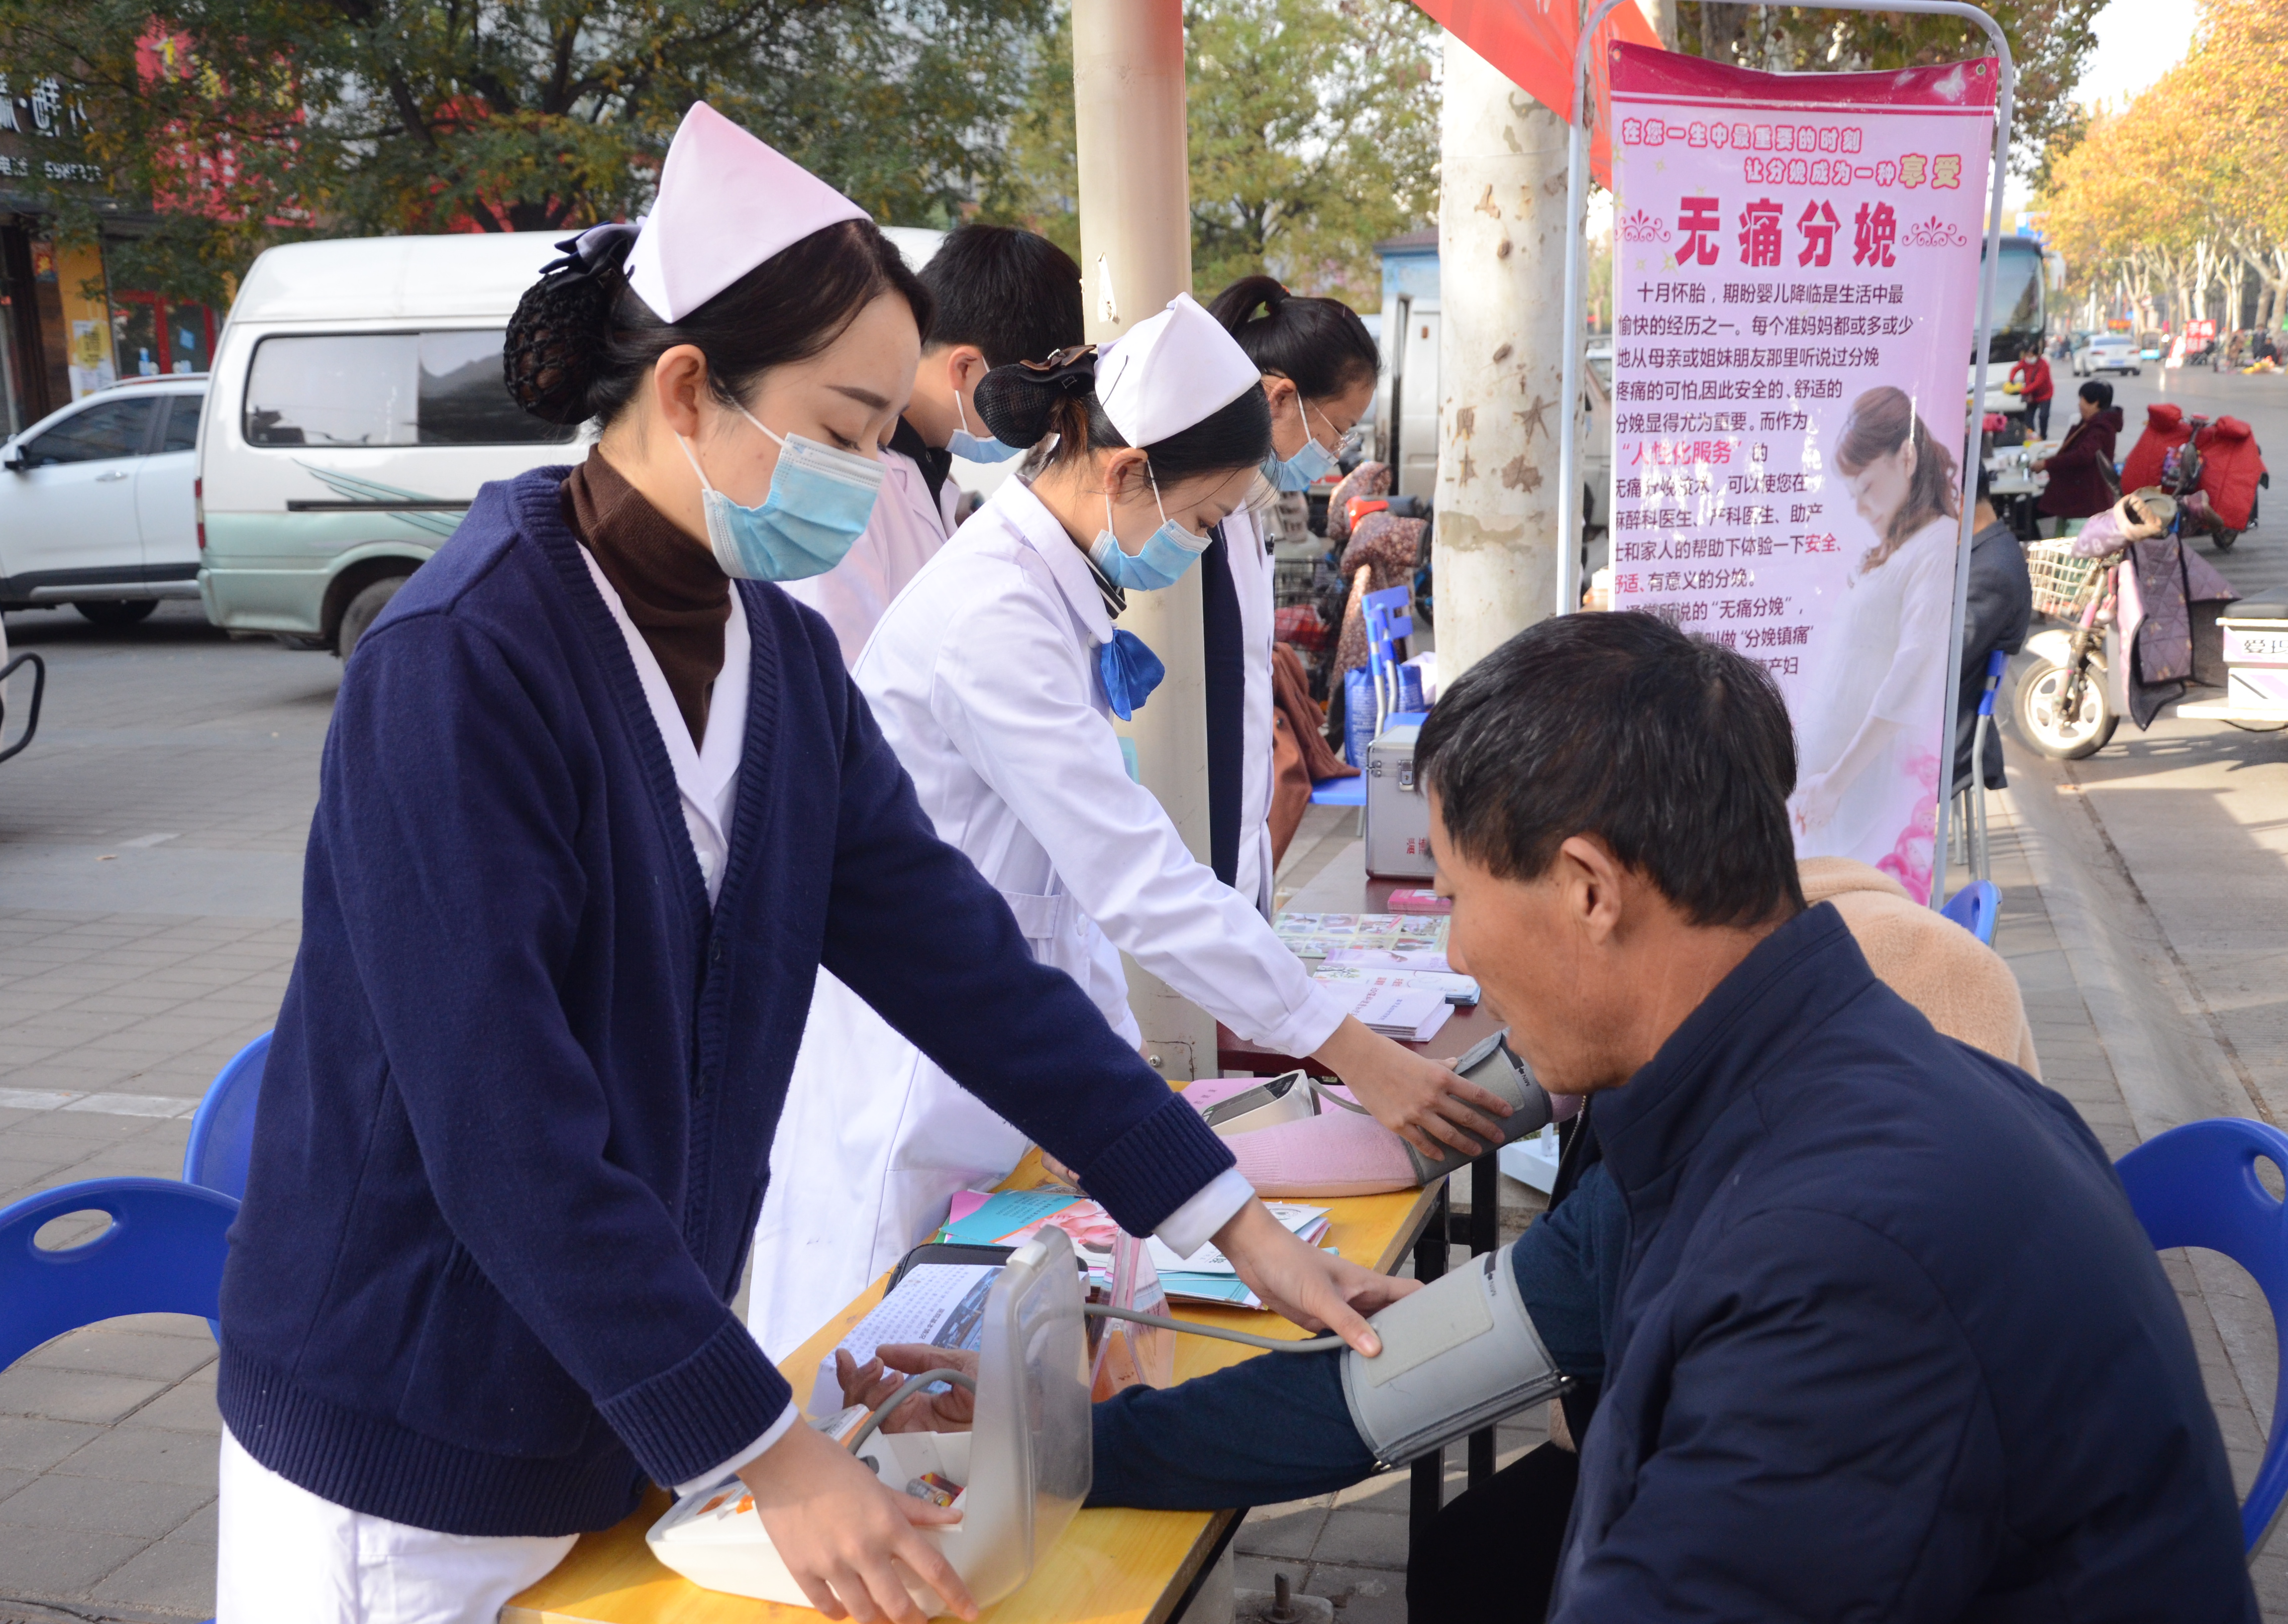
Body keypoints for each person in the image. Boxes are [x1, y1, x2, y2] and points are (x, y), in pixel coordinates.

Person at [208, 103, 1407, 1624]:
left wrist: (1231, 1220)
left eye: (879, 436)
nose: (865, 476)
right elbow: (504, 1130)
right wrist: (769, 1448)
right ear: (687, 389)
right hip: (414, 1438)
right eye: (841, 434)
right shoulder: (462, 665)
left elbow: (969, 969)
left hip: (620, 1399)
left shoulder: (777, 660)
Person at [851, 611, 2254, 1623]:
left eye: (1459, 898)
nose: (1455, 954)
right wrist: (1056, 1446)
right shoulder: (1753, 1103)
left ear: (1589, 888)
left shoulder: (1841, 1265)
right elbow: (1388, 1383)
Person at [747, 295, 1505, 1361]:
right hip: (912, 1088)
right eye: (1201, 518)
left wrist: (1113, 1078)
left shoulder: (1047, 593)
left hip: (1003, 1065)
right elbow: (1133, 879)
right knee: (874, 1369)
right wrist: (1348, 1047)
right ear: (1125, 473)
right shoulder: (993, 615)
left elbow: (1061, 899)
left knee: (984, 1384)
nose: (1195, 545)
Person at [780, 224, 1082, 665]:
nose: (1033, 428)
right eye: (1026, 402)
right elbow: (841, 669)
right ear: (965, 369)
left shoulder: (930, 474)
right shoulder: (849, 488)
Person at [1201, 275, 1380, 892]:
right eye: (1338, 429)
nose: (1337, 451)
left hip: (1242, 819)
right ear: (1279, 398)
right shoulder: (1206, 512)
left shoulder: (1249, 506)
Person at [1790, 386, 1963, 875]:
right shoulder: (1896, 547)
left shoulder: (1936, 543)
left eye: (1866, 487)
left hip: (1855, 787)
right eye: (1852, 495)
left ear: (1906, 457)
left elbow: (1910, 674)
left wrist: (1834, 784)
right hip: (1828, 783)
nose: (1860, 508)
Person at [1956, 493, 2032, 795]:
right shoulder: (1987, 551)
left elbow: (1937, 664)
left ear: (1959, 499)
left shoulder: (1992, 568)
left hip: (1945, 738)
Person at [2034, 377, 2120, 536]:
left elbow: (2082, 456)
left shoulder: (2101, 428)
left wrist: (2047, 464)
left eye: (2082, 400)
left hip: (2086, 504)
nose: (2079, 404)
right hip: (2076, 500)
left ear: (2095, 403)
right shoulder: (2089, 424)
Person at [2009, 342, 2053, 436]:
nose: (2028, 357)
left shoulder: (2043, 365)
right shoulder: (2025, 362)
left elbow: (2037, 383)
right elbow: (2015, 369)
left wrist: (2021, 391)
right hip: (2032, 396)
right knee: (2029, 418)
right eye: (2027, 354)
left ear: (2037, 355)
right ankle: (2032, 435)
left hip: (2045, 394)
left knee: (2043, 416)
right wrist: (2011, 380)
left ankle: (2043, 436)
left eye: (2031, 355)